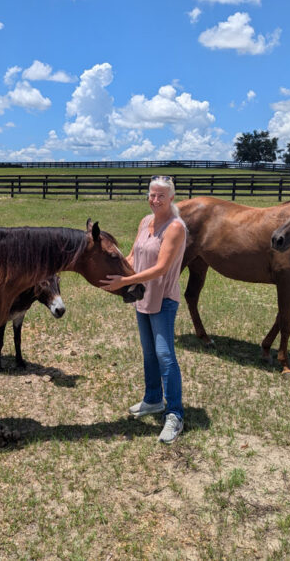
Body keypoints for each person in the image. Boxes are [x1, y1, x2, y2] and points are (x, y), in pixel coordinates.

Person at [101, 175, 187, 444]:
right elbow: (133, 256)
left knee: (165, 355)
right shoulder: (144, 222)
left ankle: (175, 413)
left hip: (163, 297)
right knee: (149, 352)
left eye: (161, 195)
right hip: (142, 294)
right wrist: (113, 271)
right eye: (152, 194)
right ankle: (152, 399)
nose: (155, 199)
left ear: (171, 197)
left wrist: (125, 281)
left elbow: (161, 268)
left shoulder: (175, 227)